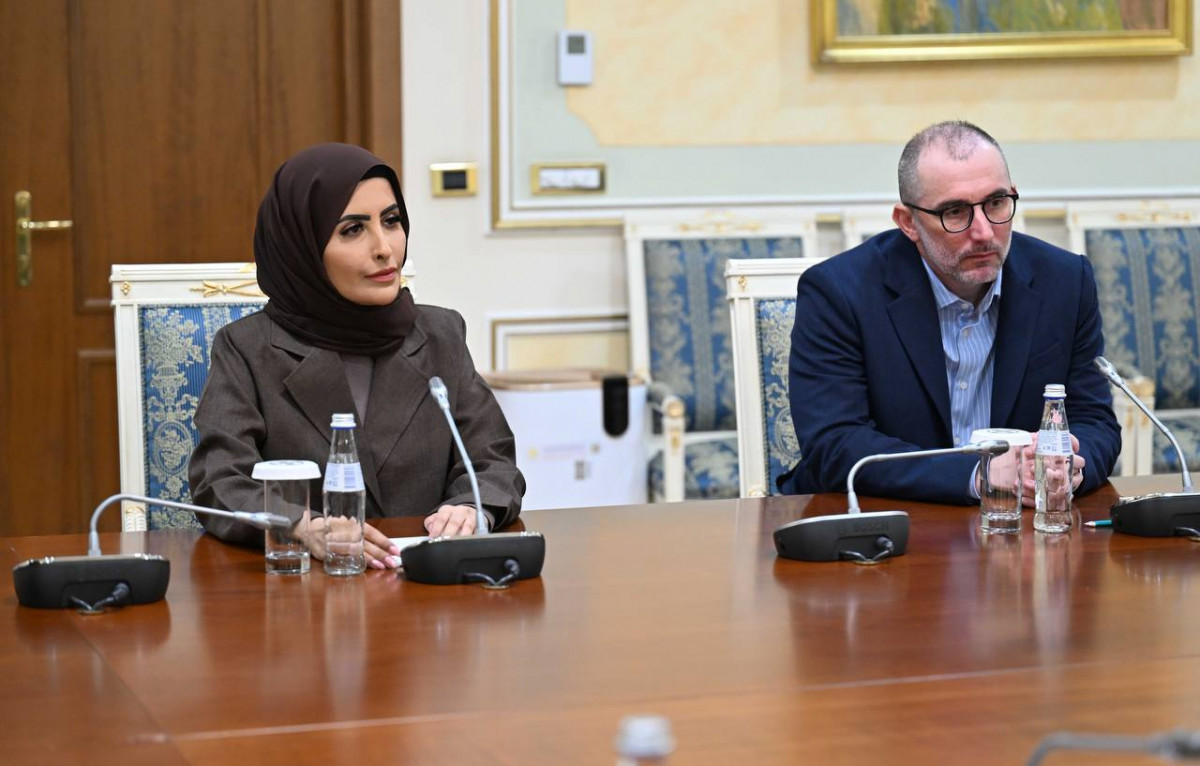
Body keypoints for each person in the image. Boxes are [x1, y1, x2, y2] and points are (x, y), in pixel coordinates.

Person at [189, 143, 524, 568]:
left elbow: (492, 460)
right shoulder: (247, 348)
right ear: (302, 248)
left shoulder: (442, 334)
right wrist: (301, 526)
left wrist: (470, 507)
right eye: (352, 230)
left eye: (391, 221)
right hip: (308, 588)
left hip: (428, 584)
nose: (385, 248)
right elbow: (219, 479)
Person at [777, 120, 1120, 505]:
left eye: (996, 203)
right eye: (955, 212)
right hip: (885, 517)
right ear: (908, 223)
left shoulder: (1066, 282)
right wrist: (979, 475)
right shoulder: (839, 292)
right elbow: (834, 444)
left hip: (1020, 522)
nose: (984, 232)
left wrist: (1069, 466)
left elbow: (1094, 422)